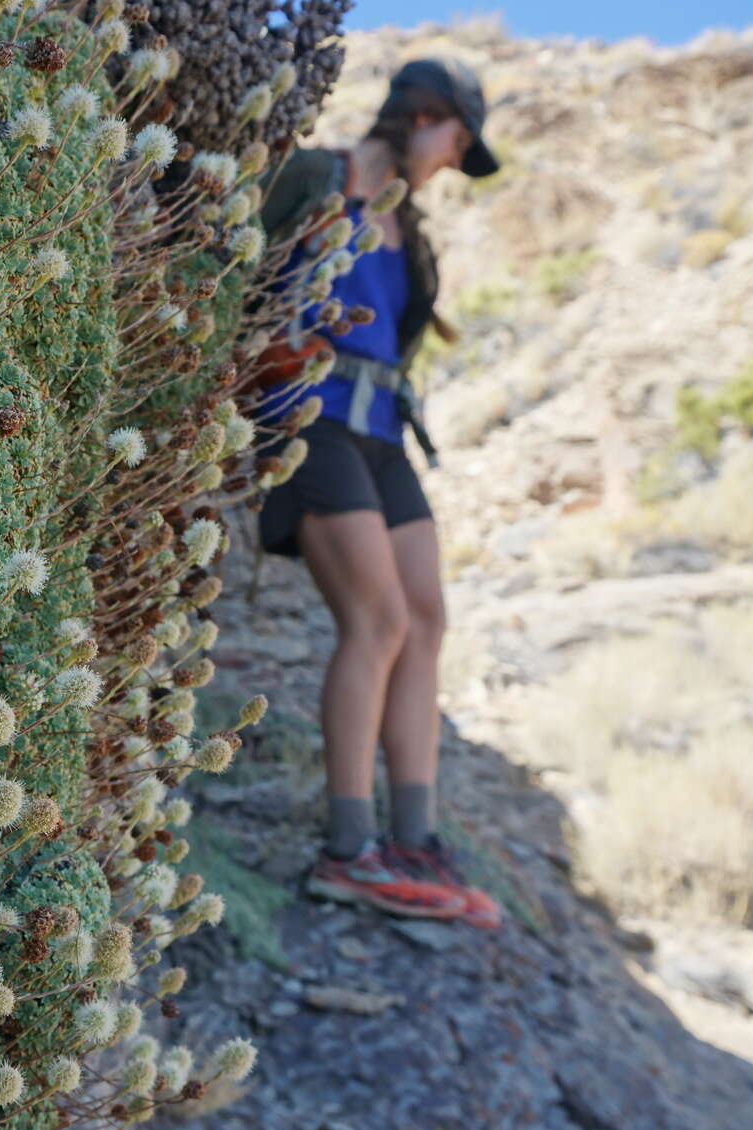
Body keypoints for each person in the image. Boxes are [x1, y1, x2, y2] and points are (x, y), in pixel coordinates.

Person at [250, 57, 503, 929]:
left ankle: (414, 840)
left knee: (428, 616)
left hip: (382, 428)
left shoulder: (409, 229)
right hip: (311, 410)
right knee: (380, 620)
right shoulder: (324, 179)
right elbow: (240, 275)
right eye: (454, 140)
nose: (449, 161)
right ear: (421, 116)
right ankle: (348, 850)